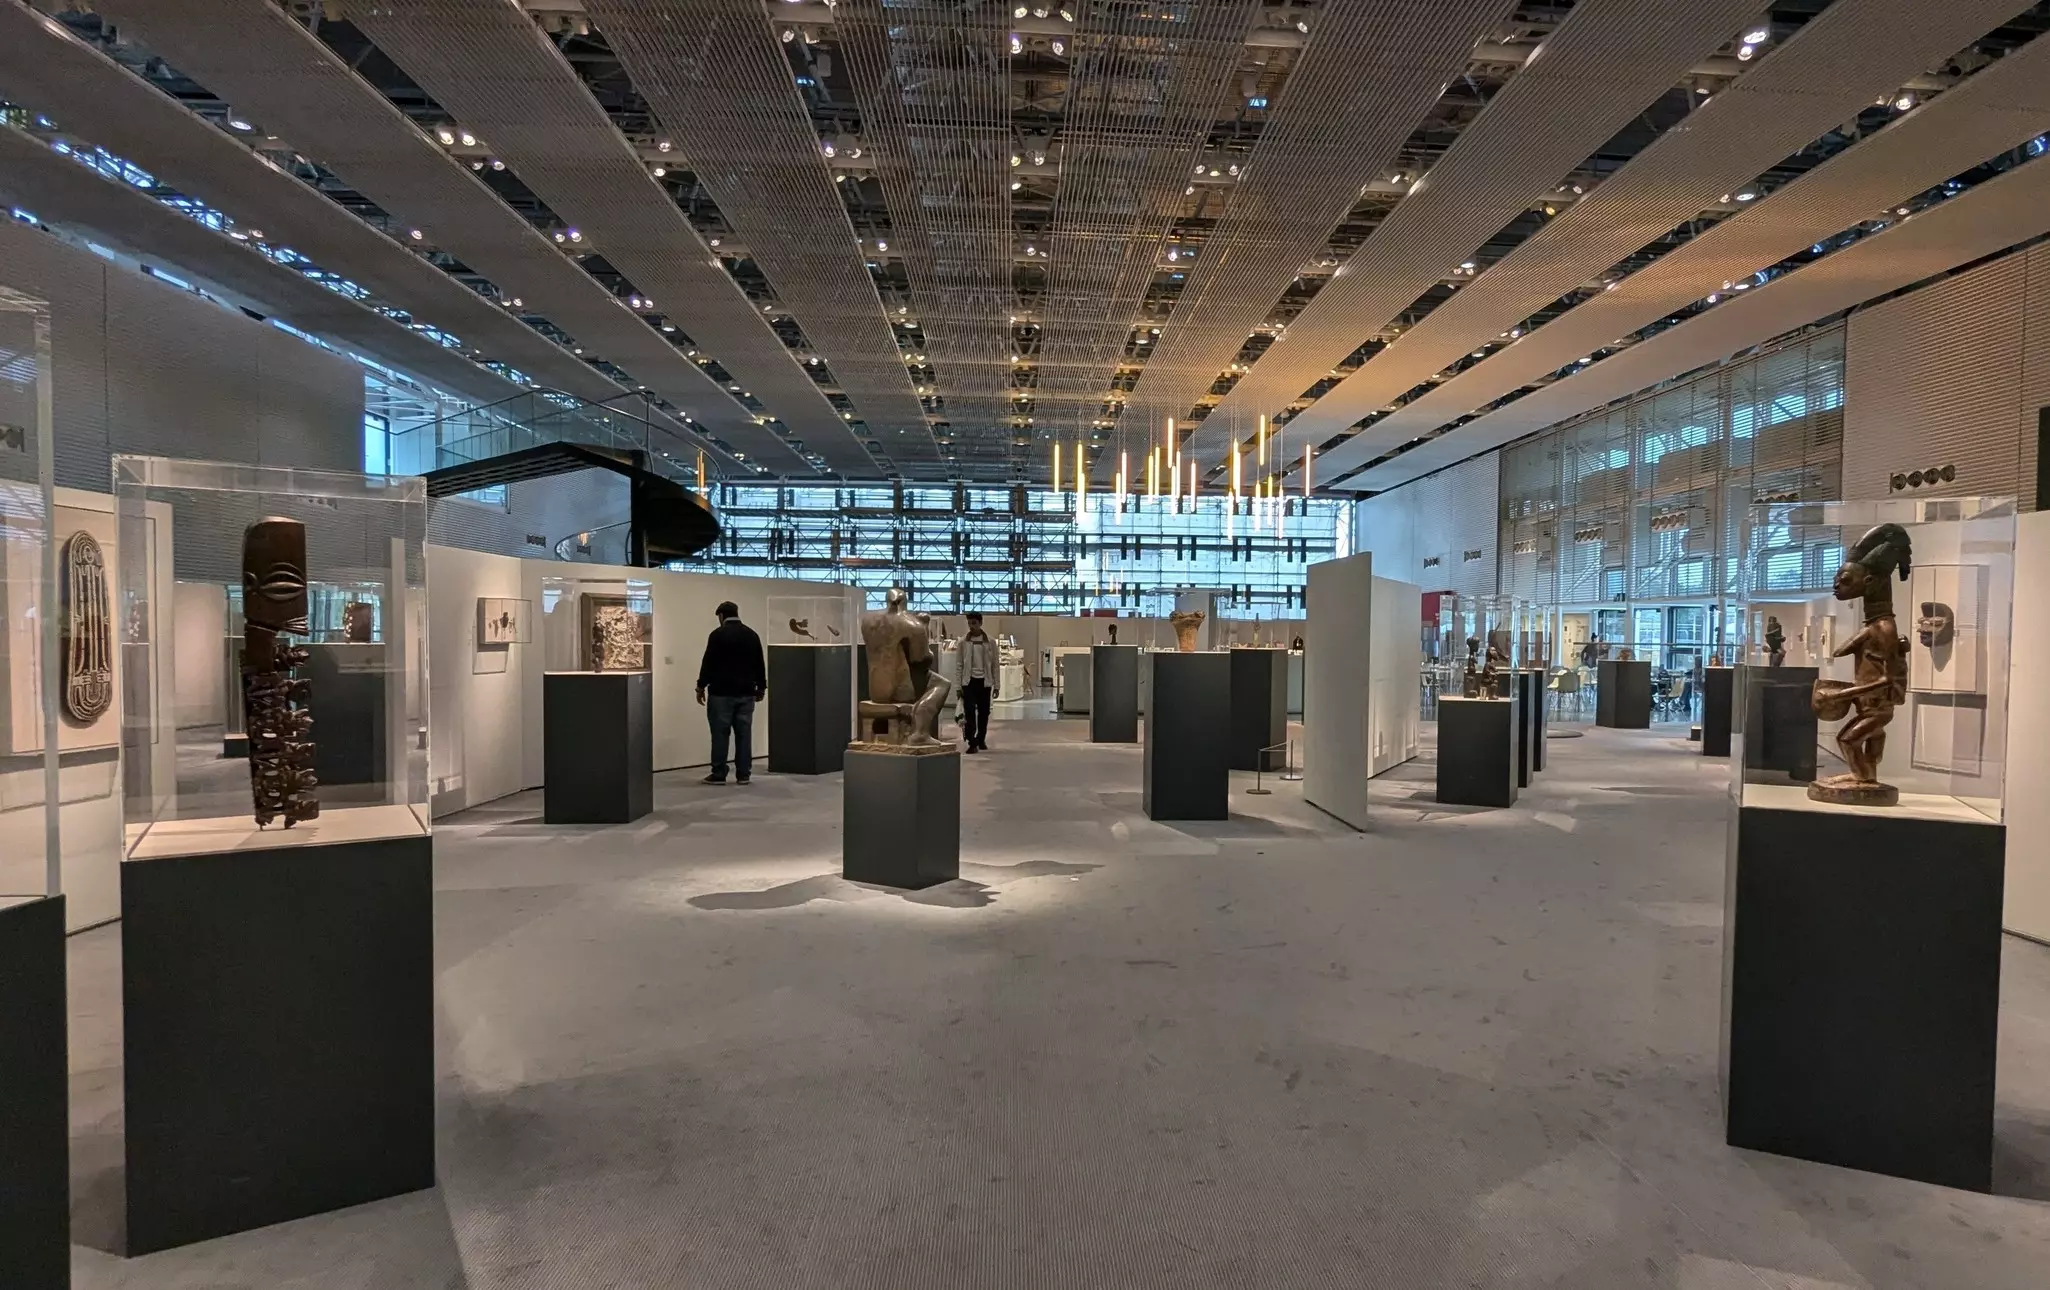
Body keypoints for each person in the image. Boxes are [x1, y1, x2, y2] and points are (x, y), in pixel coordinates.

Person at [695, 600, 765, 783]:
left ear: (721, 616)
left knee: (720, 734)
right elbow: (759, 663)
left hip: (721, 693)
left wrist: (700, 686)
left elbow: (708, 663)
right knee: (744, 735)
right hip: (746, 693)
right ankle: (743, 774)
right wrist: (761, 688)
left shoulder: (717, 635)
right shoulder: (751, 635)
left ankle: (719, 773)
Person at [958, 611, 998, 753]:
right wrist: (958, 686)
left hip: (985, 682)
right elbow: (959, 665)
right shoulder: (963, 642)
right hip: (968, 682)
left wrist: (997, 685)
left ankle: (981, 739)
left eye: (974, 623)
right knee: (969, 713)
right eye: (969, 623)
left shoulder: (990, 642)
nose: (971, 626)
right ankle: (972, 742)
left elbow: (995, 664)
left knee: (984, 712)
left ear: (980, 623)